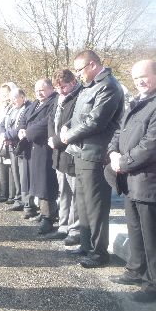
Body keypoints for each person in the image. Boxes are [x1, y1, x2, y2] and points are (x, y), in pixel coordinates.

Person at [60, 50, 124, 268]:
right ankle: (86, 245)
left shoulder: (109, 86)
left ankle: (99, 252)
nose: (78, 74)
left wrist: (68, 136)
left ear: (93, 65)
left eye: (80, 69)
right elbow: (77, 116)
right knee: (83, 202)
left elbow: (96, 121)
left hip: (95, 153)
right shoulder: (88, 87)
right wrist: (66, 127)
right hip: (80, 152)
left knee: (96, 205)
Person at [107, 59, 156, 303]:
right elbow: (119, 131)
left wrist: (123, 162)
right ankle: (136, 269)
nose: (140, 82)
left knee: (151, 236)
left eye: (144, 76)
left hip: (148, 182)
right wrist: (112, 153)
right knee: (135, 229)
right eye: (136, 78)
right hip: (130, 180)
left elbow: (150, 145)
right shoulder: (136, 102)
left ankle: (153, 284)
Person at [18, 79, 59, 233]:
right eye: (36, 91)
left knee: (45, 183)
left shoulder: (54, 102)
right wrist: (21, 129)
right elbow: (24, 117)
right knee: (36, 182)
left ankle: (49, 218)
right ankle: (43, 213)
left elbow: (46, 123)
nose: (39, 93)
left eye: (42, 90)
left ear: (51, 89)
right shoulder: (35, 103)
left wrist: (28, 133)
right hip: (31, 148)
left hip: (44, 148)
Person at [46, 69, 82, 244]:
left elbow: (75, 123)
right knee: (63, 191)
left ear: (73, 82)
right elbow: (51, 120)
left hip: (71, 151)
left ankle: (75, 230)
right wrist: (51, 138)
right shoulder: (58, 99)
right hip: (58, 152)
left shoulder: (79, 97)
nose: (61, 90)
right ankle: (63, 226)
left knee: (75, 193)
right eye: (57, 87)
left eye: (64, 87)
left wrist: (58, 140)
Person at [5, 88, 31, 209]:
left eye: (15, 98)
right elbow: (2, 124)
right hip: (11, 145)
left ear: (22, 97)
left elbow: (20, 128)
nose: (12, 101)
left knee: (23, 175)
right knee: (15, 174)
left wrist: (6, 135)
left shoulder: (27, 108)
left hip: (22, 146)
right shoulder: (11, 109)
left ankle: (26, 203)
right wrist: (2, 134)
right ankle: (18, 199)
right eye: (11, 99)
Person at [0, 82, 17, 201]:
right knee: (2, 166)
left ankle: (12, 194)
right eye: (2, 94)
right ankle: (3, 193)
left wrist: (6, 136)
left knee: (11, 168)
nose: (4, 96)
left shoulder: (14, 106)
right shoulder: (1, 107)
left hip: (10, 140)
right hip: (0, 140)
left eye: (6, 93)